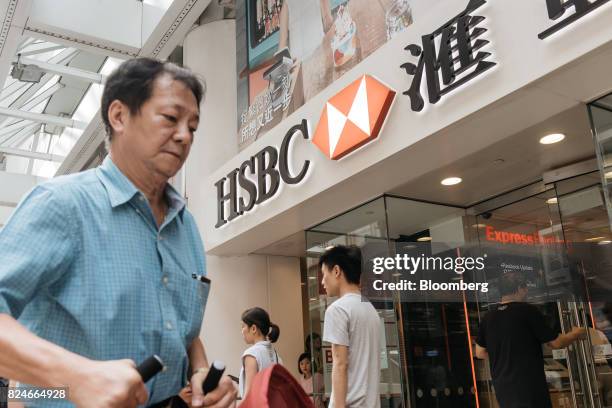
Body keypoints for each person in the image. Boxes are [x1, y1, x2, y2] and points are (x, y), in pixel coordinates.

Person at [0, 58, 236, 408]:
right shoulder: (62, 204)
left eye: (193, 126)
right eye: (171, 118)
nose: (185, 135)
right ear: (119, 116)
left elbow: (183, 333)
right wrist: (75, 378)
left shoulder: (187, 229)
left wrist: (202, 374)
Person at [475, 272, 586, 408]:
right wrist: (575, 334)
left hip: (503, 388)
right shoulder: (528, 311)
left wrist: (505, 357)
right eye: (525, 288)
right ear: (520, 288)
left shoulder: (488, 317)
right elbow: (555, 342)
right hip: (528, 386)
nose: (526, 291)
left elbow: (480, 353)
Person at [320, 245, 381, 408]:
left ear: (337, 271)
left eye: (324, 274)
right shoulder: (370, 309)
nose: (322, 281)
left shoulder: (337, 310)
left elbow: (340, 364)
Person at [239, 307, 282, 399]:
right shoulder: (276, 355)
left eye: (243, 326)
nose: (241, 331)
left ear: (253, 328)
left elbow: (249, 396)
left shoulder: (251, 354)